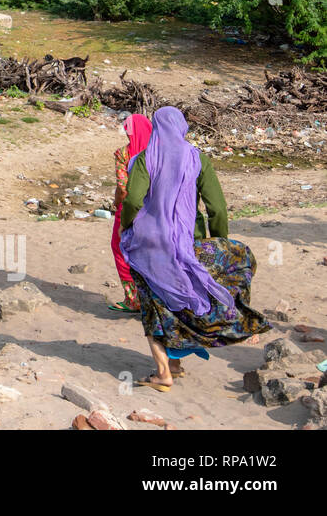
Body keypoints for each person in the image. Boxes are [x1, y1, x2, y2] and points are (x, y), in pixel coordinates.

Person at [120, 106, 270, 391]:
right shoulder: (196, 158)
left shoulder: (143, 160)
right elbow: (217, 208)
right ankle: (172, 366)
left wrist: (127, 226)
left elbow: (133, 200)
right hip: (191, 244)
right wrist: (220, 241)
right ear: (182, 127)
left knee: (155, 306)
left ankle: (165, 371)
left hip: (147, 247)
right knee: (181, 300)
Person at [109, 113, 152, 312]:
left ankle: (133, 298)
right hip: (153, 211)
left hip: (128, 211)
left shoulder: (123, 154)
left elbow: (123, 188)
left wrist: (116, 204)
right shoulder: (157, 154)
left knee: (121, 249)